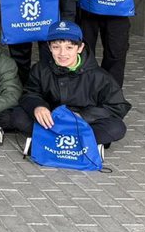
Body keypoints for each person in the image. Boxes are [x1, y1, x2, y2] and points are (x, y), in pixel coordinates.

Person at [19, 20, 132, 152]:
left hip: (83, 122)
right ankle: (78, 142)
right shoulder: (40, 69)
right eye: (56, 47)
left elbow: (118, 106)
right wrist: (38, 107)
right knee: (18, 116)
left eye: (69, 47)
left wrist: (82, 116)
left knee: (116, 127)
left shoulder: (100, 76)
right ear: (49, 47)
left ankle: (51, 140)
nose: (62, 53)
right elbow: (29, 93)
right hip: (52, 120)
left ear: (80, 48)